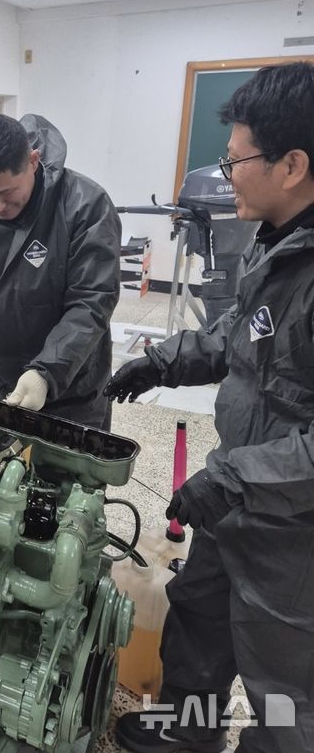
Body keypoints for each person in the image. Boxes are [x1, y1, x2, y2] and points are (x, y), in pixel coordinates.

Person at [106, 61, 314, 753]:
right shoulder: (279, 238)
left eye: (235, 163)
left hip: (294, 525)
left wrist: (233, 477)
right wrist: (160, 361)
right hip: (239, 496)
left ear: (291, 164)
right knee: (197, 620)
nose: (226, 179)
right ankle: (185, 739)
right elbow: (244, 334)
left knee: (284, 688)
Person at [0, 112, 121, 430]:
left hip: (72, 384)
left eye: (7, 193)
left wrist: (47, 372)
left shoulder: (85, 205)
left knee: (62, 476)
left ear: (32, 160)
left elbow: (92, 300)